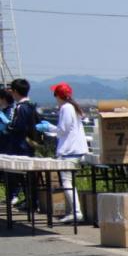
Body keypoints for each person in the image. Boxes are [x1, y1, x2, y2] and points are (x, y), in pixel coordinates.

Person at [35, 82, 88, 221]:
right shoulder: (73, 108)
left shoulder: (66, 108)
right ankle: (76, 211)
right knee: (68, 182)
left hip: (69, 151)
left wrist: (48, 127)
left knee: (66, 183)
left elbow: (62, 130)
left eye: (55, 95)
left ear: (58, 95)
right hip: (76, 150)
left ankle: (76, 212)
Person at [5, 79, 41, 209]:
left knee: (23, 176)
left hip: (20, 146)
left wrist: (9, 127)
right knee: (28, 176)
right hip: (29, 145)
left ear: (15, 91)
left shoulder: (21, 107)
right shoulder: (31, 105)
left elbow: (18, 127)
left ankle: (31, 201)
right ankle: (31, 200)